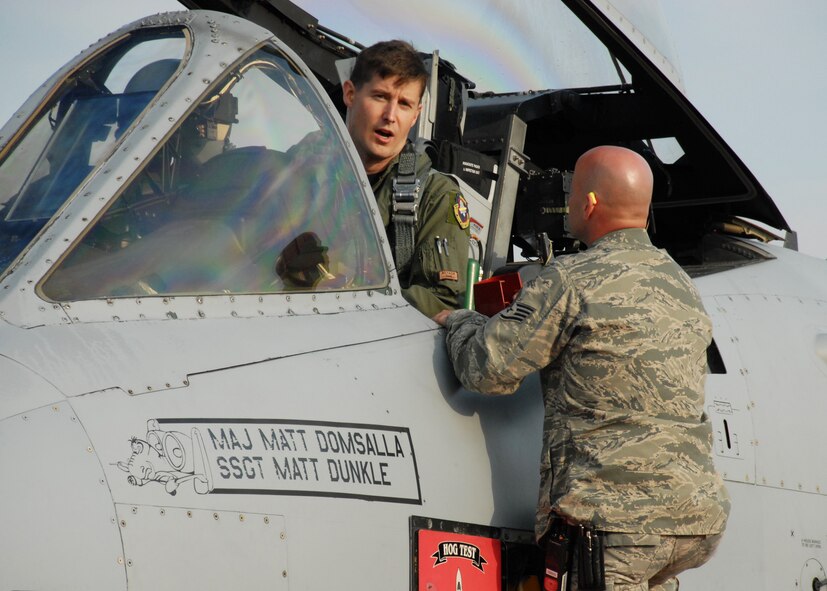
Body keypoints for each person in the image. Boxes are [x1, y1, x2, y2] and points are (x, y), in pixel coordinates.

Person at [434, 146, 730, 590]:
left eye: (573, 194)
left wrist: (459, 319)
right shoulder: (682, 286)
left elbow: (486, 367)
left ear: (589, 204)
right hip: (693, 522)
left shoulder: (574, 279)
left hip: (616, 523)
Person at [342, 40, 470, 318]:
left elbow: (441, 298)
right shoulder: (304, 170)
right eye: (380, 96)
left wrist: (351, 308)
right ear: (350, 94)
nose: (390, 116)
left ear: (415, 116)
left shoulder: (436, 195)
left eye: (404, 104)